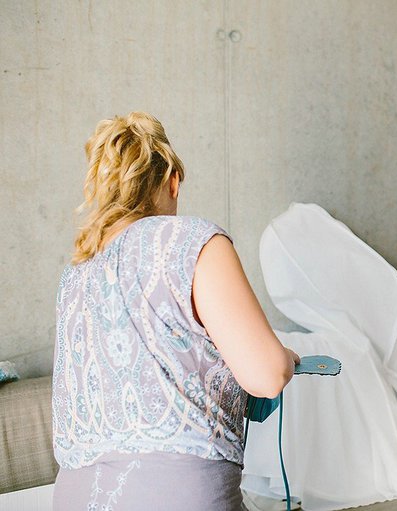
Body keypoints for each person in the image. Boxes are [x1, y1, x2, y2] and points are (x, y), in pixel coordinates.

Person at [52, 112, 299, 511]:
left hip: (76, 496)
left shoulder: (76, 274)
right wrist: (283, 358)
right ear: (172, 180)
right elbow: (268, 376)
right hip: (175, 494)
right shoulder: (192, 240)